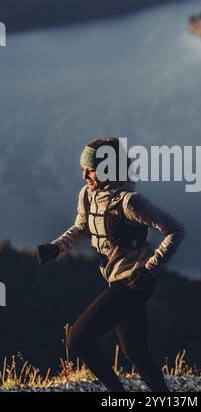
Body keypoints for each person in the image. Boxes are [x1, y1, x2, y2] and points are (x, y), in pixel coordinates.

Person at [36, 137, 186, 392]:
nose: (84, 175)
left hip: (134, 282)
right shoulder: (87, 195)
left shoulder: (130, 202)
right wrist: (57, 247)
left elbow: (175, 230)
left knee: (78, 339)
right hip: (118, 279)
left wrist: (150, 270)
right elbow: (83, 226)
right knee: (136, 352)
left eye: (90, 169)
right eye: (83, 168)